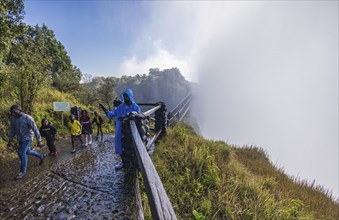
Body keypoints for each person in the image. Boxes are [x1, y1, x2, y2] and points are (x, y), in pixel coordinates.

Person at [99, 89, 141, 169]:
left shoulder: (135, 107)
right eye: (124, 97)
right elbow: (112, 114)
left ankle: (133, 163)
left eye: (127, 97)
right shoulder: (120, 107)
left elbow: (138, 114)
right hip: (119, 130)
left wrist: (128, 115)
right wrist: (104, 109)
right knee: (120, 146)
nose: (125, 99)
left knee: (131, 146)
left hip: (131, 131)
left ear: (130, 97)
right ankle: (123, 163)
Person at [7, 104, 45, 180]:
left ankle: (22, 171)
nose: (13, 114)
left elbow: (35, 129)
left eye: (14, 112)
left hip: (28, 138)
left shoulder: (28, 118)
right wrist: (10, 140)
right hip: (20, 138)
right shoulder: (13, 118)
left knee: (21, 152)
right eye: (12, 112)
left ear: (20, 110)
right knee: (28, 151)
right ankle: (41, 156)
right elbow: (12, 130)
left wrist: (39, 140)